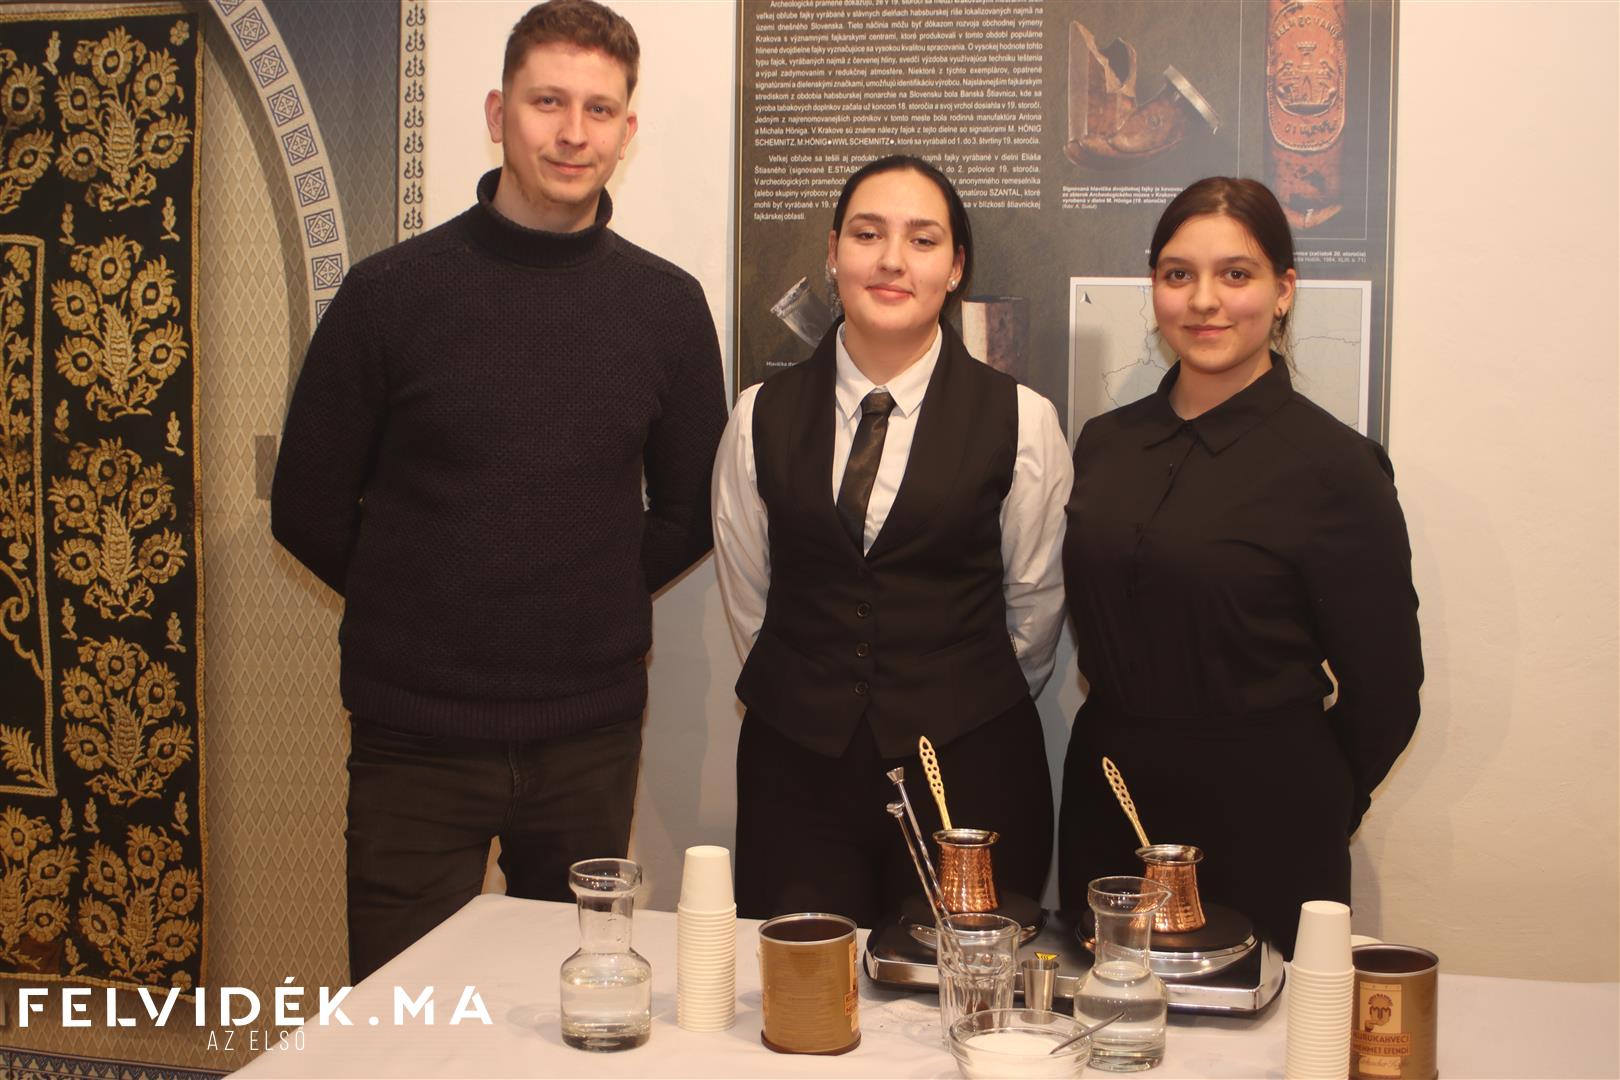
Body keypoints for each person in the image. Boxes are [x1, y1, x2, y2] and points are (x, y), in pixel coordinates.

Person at [270, 0, 726, 981]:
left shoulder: (667, 307)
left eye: (598, 110)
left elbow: (693, 511)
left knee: (570, 1010)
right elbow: (305, 506)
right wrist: (422, 601)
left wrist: (588, 593)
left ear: (627, 132)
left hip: (589, 740)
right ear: (496, 113)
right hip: (413, 744)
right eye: (547, 102)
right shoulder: (389, 295)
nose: (572, 132)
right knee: (403, 1018)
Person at [1057, 177, 1422, 957]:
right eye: (1178, 274)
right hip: (1109, 797)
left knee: (1262, 1024)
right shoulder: (1105, 444)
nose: (1204, 301)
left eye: (1236, 274)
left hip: (1267, 817)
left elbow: (1387, 692)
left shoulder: (1336, 467)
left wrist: (1314, 799)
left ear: (1283, 291)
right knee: (1109, 1019)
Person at [712, 156, 1072, 926]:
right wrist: (814, 689)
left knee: (961, 991)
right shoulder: (757, 416)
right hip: (796, 778)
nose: (892, 260)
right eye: (868, 234)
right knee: (805, 987)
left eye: (923, 239)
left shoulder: (1024, 421)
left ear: (956, 267)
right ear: (833, 253)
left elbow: (1034, 610)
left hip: (971, 778)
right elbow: (751, 601)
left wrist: (954, 691)